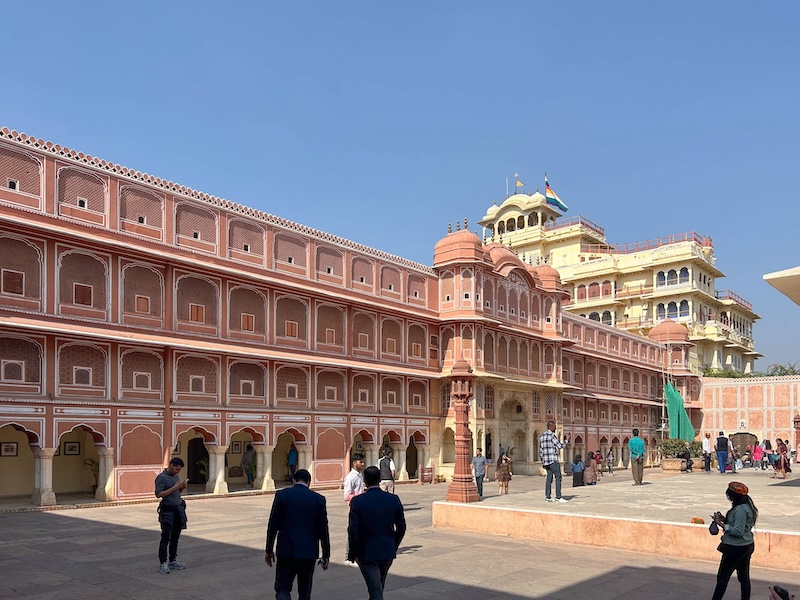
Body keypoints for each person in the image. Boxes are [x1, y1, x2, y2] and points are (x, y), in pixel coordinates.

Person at [265, 469, 330, 600]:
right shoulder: (318, 499)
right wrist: (326, 554)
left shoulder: (282, 495)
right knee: (305, 592)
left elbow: (273, 525)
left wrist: (269, 550)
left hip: (286, 550)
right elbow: (323, 529)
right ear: (309, 482)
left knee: (282, 588)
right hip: (308, 552)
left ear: (294, 480)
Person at [348, 466, 406, 600]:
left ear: (364, 481)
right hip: (386, 551)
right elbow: (401, 527)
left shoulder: (358, 502)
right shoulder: (393, 499)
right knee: (378, 587)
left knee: (375, 591)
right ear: (380, 479)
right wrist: (394, 544)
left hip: (367, 552)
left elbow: (353, 530)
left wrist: (353, 553)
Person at [710, 481, 758, 600]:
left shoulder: (740, 510)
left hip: (736, 547)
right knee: (744, 577)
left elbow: (738, 531)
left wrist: (720, 523)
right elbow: (738, 524)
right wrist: (725, 519)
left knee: (723, 577)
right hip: (746, 545)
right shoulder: (746, 507)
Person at [155, 457, 188, 574]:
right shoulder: (161, 478)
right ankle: (163, 562)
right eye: (176, 469)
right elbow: (159, 494)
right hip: (167, 511)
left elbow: (175, 493)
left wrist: (181, 488)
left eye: (179, 470)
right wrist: (174, 487)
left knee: (175, 537)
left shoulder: (176, 477)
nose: (178, 472)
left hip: (178, 510)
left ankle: (172, 560)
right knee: (166, 537)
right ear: (171, 465)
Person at [343, 454, 366, 566]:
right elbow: (346, 495)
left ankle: (357, 554)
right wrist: (359, 497)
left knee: (360, 532)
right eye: (360, 462)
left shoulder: (359, 475)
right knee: (352, 532)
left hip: (361, 508)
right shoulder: (351, 477)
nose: (362, 464)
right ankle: (348, 557)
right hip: (354, 509)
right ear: (354, 463)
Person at [539, 420, 569, 503]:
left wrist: (543, 461)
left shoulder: (542, 436)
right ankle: (558, 497)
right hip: (552, 460)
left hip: (546, 461)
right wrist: (566, 440)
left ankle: (547, 496)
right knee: (558, 477)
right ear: (551, 426)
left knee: (549, 478)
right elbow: (560, 446)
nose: (555, 428)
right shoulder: (552, 436)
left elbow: (541, 451)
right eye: (554, 426)